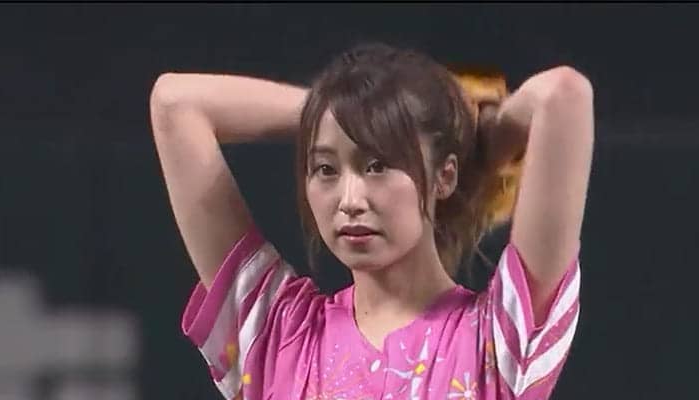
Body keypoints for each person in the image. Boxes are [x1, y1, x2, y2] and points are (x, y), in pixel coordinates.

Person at [149, 42, 593, 399]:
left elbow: (562, 95)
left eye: (377, 165)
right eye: (326, 169)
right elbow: (175, 103)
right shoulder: (276, 337)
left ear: (444, 176)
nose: (350, 200)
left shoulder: (498, 341)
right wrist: (341, 112)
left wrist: (484, 136)